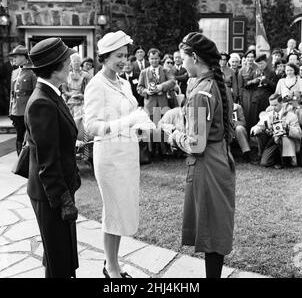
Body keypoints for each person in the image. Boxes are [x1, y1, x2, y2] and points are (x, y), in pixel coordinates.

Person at [84, 30, 153, 278]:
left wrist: (140, 125)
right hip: (110, 157)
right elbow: (90, 127)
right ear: (104, 57)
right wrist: (125, 123)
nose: (124, 60)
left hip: (128, 154)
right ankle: (111, 267)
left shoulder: (124, 82)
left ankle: (112, 262)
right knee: (112, 210)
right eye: (118, 56)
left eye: (126, 55)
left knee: (122, 210)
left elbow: (131, 112)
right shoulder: (96, 85)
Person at [168, 32, 235, 278]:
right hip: (221, 158)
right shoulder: (218, 84)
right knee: (215, 226)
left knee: (212, 229)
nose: (180, 63)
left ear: (194, 57)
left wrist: (174, 135)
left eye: (183, 57)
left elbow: (196, 144)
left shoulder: (201, 92)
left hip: (208, 164)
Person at [24, 37, 81, 278]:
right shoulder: (42, 102)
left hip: (55, 192)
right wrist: (64, 201)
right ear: (56, 66)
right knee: (59, 261)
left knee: (60, 257)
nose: (71, 64)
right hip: (51, 195)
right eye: (68, 60)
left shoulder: (51, 94)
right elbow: (48, 162)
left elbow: (54, 143)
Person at [250, 93, 302, 168]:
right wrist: (254, 130)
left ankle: (286, 160)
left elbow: (299, 134)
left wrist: (287, 128)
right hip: (273, 141)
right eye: (271, 105)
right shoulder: (268, 115)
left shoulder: (291, 116)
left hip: (285, 141)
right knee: (264, 163)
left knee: (282, 139)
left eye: (275, 105)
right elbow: (259, 125)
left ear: (281, 103)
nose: (273, 107)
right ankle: (273, 160)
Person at [9, 45, 37, 155]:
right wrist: (11, 110)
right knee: (19, 135)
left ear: (24, 57)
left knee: (29, 135)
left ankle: (28, 157)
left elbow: (35, 93)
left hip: (27, 109)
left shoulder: (32, 72)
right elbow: (12, 94)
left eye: (16, 56)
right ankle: (20, 158)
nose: (14, 59)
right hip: (16, 110)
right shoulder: (15, 72)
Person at [237, 49, 259, 134]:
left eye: (252, 57)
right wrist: (240, 97)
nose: (250, 59)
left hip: (256, 93)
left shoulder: (257, 68)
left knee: (255, 114)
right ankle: (246, 135)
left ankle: (254, 136)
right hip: (246, 94)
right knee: (247, 114)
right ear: (245, 59)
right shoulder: (242, 71)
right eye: (248, 57)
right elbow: (240, 86)